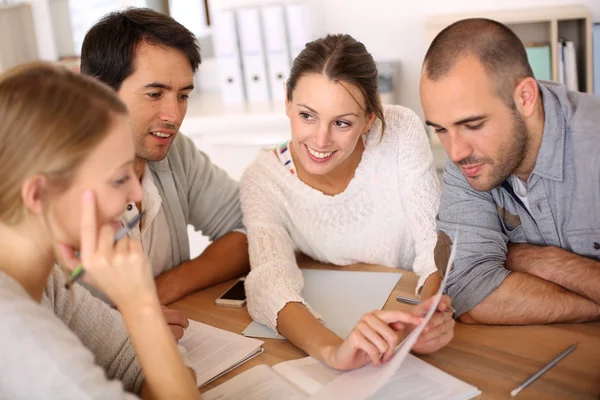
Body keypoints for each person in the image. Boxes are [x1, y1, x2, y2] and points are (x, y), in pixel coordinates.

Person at [240, 34, 454, 371]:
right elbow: (268, 283)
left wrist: (425, 318)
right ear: (287, 101)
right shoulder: (263, 180)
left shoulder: (398, 130)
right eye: (307, 116)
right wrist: (333, 352)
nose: (321, 140)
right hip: (342, 320)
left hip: (404, 302)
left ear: (369, 119)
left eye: (341, 123)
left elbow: (433, 244)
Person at [0, 63, 198, 399]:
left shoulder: (46, 278)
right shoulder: (14, 331)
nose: (137, 195)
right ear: (38, 194)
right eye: (119, 179)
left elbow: (137, 366)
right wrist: (140, 306)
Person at [419, 18, 600, 325]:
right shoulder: (468, 157)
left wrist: (527, 256)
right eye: (441, 130)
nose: (455, 152)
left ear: (525, 98)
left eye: (473, 125)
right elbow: (467, 291)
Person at [79, 8, 250, 312]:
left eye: (183, 95)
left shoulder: (173, 152)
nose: (173, 116)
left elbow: (254, 225)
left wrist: (161, 291)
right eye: (155, 94)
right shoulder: (55, 186)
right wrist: (132, 321)